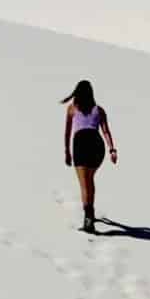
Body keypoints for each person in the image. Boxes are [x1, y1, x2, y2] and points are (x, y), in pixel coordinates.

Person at [63, 80, 116, 232]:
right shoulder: (99, 110)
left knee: (84, 184)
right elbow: (106, 132)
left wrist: (67, 151)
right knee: (89, 181)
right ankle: (90, 215)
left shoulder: (72, 108)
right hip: (96, 144)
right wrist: (112, 150)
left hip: (80, 144)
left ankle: (88, 219)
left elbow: (67, 133)